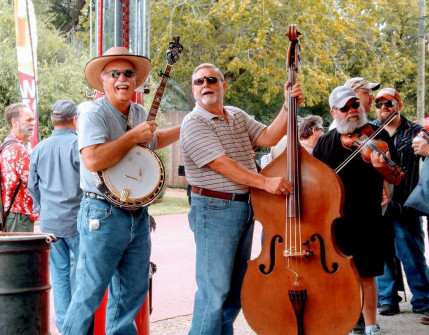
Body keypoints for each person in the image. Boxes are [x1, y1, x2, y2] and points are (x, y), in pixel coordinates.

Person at [61, 46, 180, 335]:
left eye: (128, 73)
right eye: (114, 73)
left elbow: (147, 143)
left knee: (132, 292)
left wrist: (187, 124)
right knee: (89, 292)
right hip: (102, 212)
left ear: (136, 80)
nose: (122, 79)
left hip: (137, 214)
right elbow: (92, 160)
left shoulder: (139, 112)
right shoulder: (93, 113)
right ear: (103, 80)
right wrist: (131, 137)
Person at [180, 63, 304, 334]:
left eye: (211, 79)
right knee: (214, 291)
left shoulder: (235, 115)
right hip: (214, 208)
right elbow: (221, 164)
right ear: (193, 89)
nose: (205, 85)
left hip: (243, 208)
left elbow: (269, 137)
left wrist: (287, 106)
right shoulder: (194, 123)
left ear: (223, 85)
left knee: (234, 291)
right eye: (199, 81)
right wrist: (266, 183)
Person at [313, 86, 402, 335]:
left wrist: (382, 168)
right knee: (339, 273)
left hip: (367, 217)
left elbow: (395, 177)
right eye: (345, 107)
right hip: (335, 219)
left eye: (355, 105)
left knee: (367, 274)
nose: (352, 110)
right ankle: (347, 321)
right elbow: (317, 178)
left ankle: (371, 326)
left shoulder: (377, 137)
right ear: (334, 112)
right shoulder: (325, 142)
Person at [372, 88, 429, 319]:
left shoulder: (417, 130)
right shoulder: (370, 130)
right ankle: (387, 299)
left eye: (389, 103)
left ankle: (423, 299)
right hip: (380, 204)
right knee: (383, 253)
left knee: (411, 253)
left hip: (407, 203)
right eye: (379, 103)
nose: (384, 107)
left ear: (399, 105)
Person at [27, 100, 82, 334]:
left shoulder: (39, 148)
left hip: (50, 222)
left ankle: (64, 327)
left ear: (52, 120)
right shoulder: (79, 145)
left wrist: (41, 207)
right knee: (80, 276)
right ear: (74, 119)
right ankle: (79, 326)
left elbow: (32, 185)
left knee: (59, 277)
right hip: (77, 220)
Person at [0, 102, 38, 232]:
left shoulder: (7, 145)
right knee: (22, 252)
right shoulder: (18, 149)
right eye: (28, 120)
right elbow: (33, 182)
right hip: (20, 214)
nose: (33, 123)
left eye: (33, 119)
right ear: (14, 122)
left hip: (11, 213)